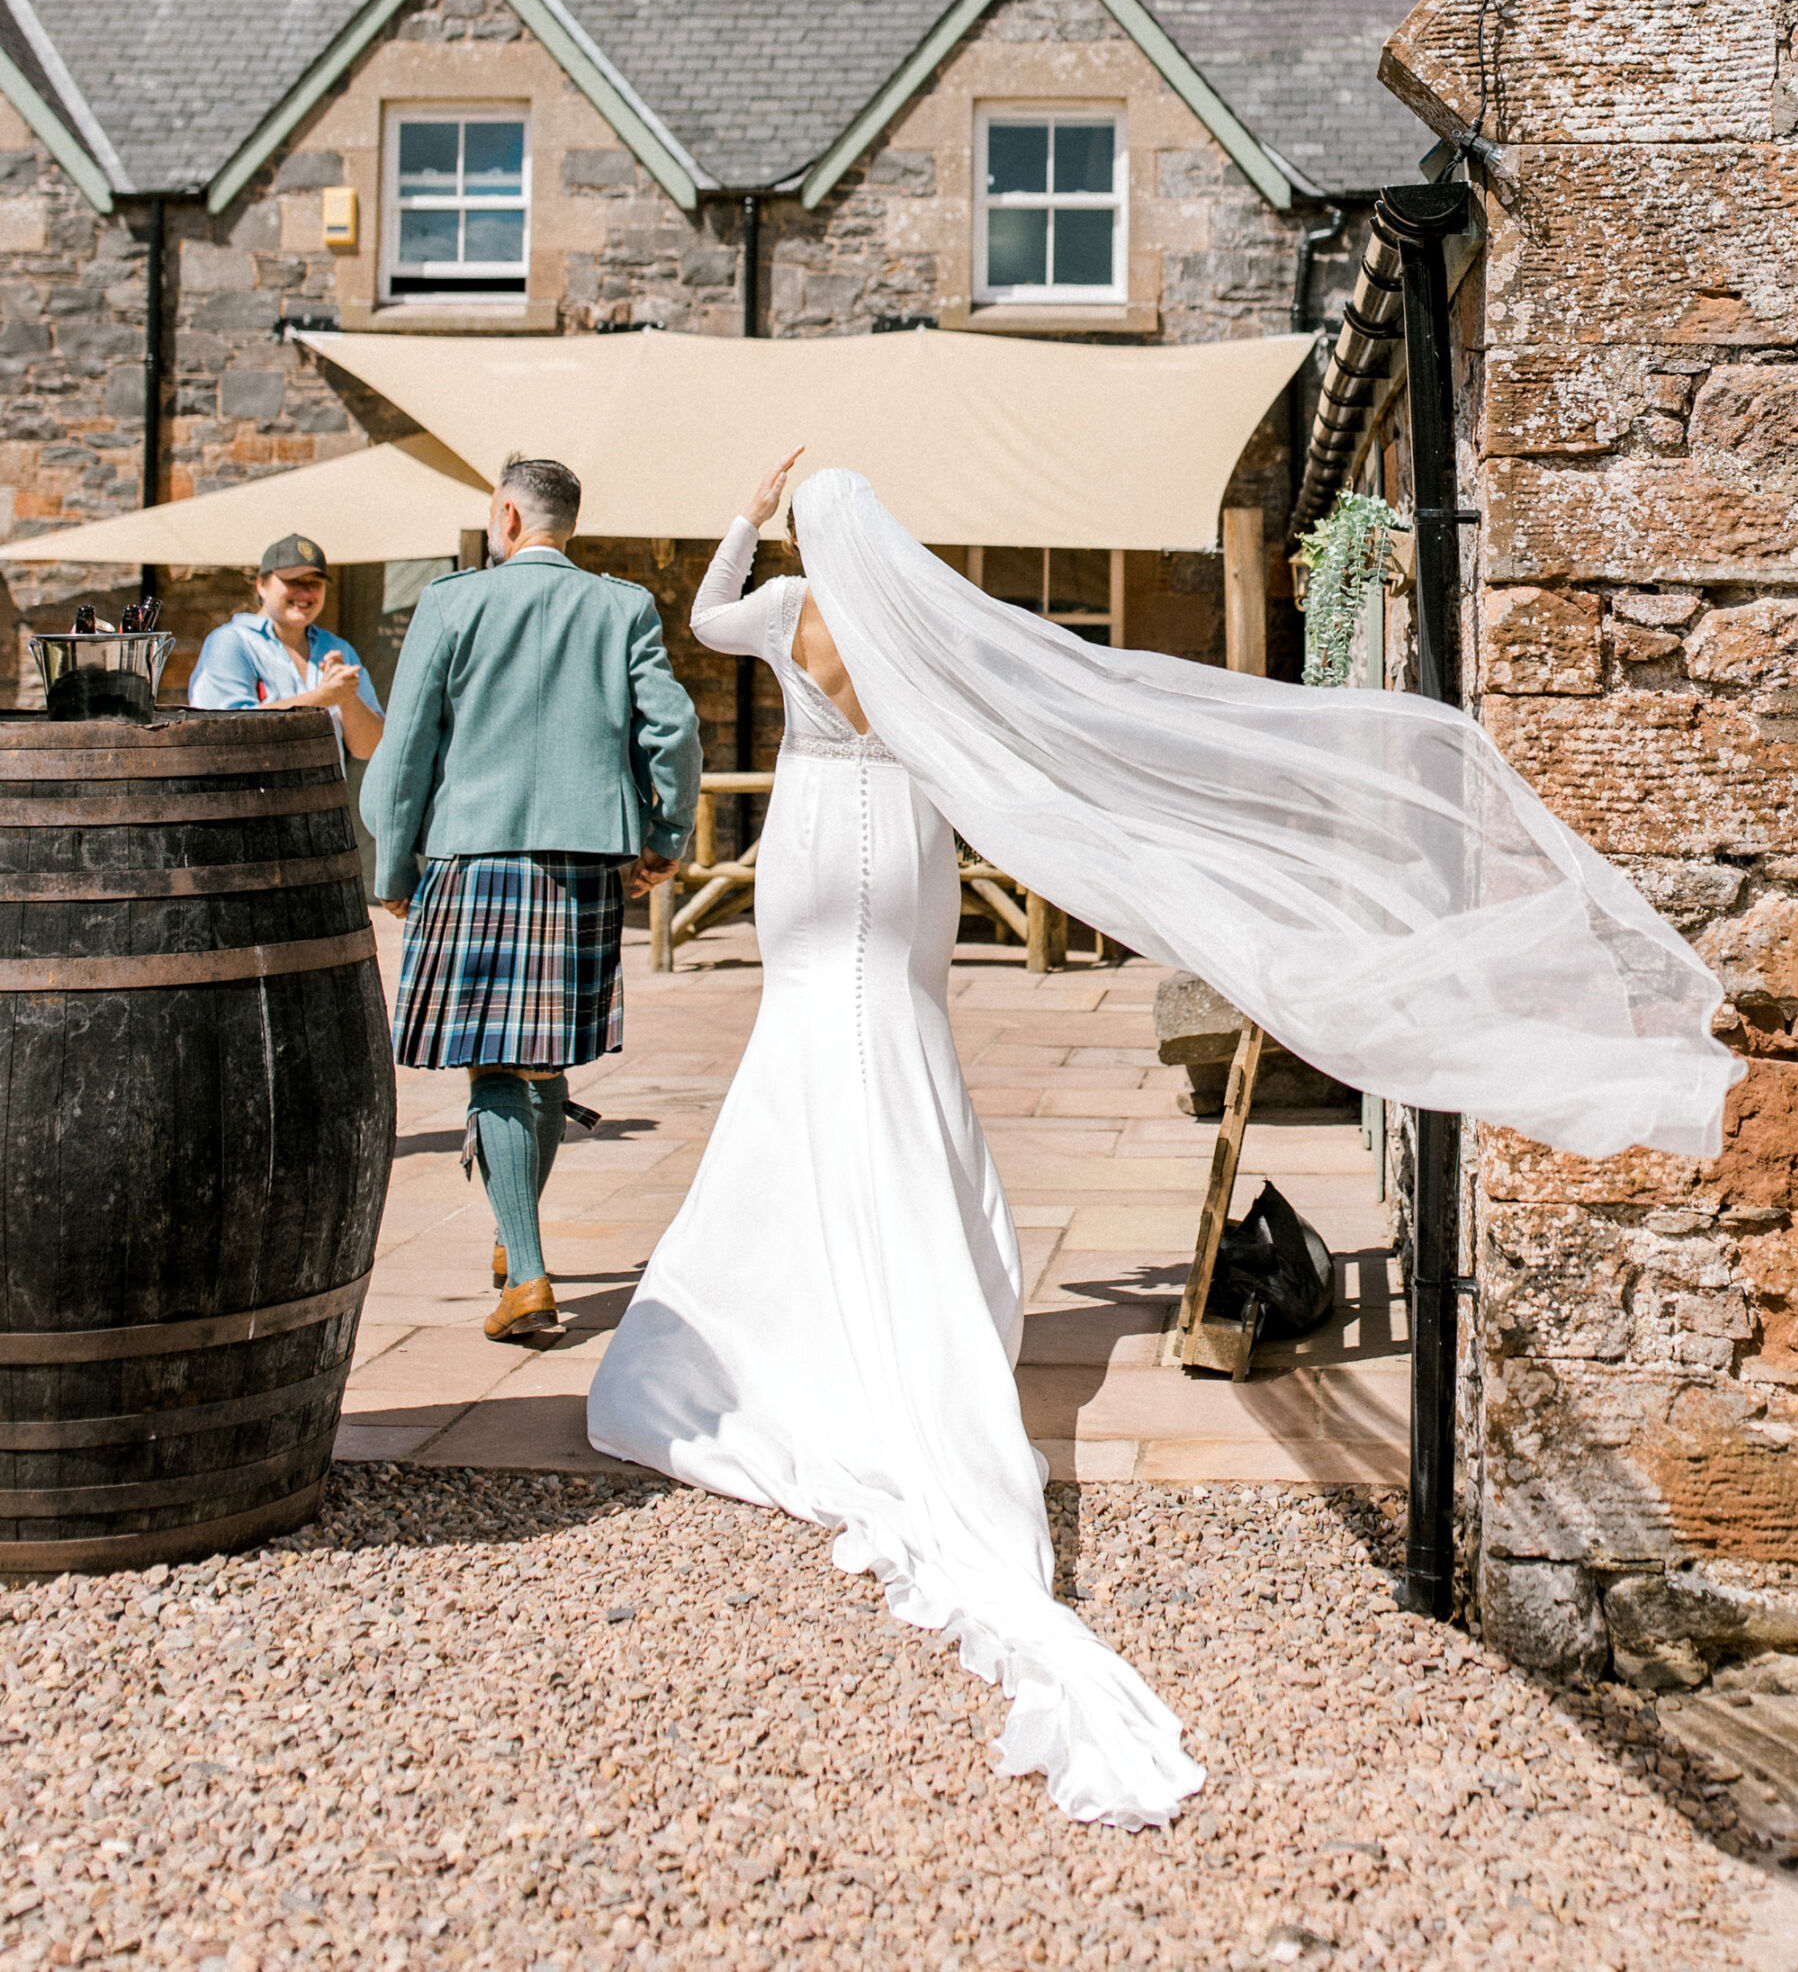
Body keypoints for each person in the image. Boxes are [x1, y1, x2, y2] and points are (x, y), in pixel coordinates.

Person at [590, 453, 1736, 1830]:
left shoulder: (782, 617)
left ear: (804, 536)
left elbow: (702, 612)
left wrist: (738, 518)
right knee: (898, 1030)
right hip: (902, 846)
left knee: (801, 1035)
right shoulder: (919, 628)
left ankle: (794, 1293)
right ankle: (921, 1263)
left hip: (809, 847)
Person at [362, 454, 701, 1344]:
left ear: (507, 518)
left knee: (497, 1063)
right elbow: (674, 731)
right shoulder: (623, 605)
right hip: (587, 856)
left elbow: (404, 755)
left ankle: (529, 1273)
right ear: (567, 525)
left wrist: (393, 868)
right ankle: (519, 1245)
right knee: (542, 1058)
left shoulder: (450, 601)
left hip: (477, 853)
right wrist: (663, 840)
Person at [188, 533, 384, 761]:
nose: (306, 593)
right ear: (262, 585)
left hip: (327, 796)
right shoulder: (231, 642)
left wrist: (347, 698)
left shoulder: (338, 648)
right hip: (250, 796)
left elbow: (371, 748)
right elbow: (220, 732)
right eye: (294, 581)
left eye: (315, 583)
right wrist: (322, 697)